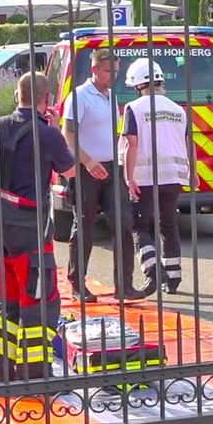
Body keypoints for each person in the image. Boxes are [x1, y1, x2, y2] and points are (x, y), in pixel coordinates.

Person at [0, 72, 75, 383]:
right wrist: (54, 131)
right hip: (28, 225)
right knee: (38, 301)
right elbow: (71, 171)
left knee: (6, 300)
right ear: (46, 100)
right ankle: (35, 376)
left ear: (16, 96)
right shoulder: (47, 134)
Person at [61, 48, 146, 302]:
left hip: (112, 167)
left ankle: (124, 285)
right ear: (95, 69)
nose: (113, 76)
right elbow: (68, 134)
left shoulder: (111, 96)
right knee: (84, 225)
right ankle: (78, 284)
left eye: (116, 71)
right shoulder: (79, 96)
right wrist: (87, 161)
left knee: (123, 221)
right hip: (86, 169)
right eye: (109, 71)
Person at [121, 58, 197, 296]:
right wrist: (193, 172)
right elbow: (189, 142)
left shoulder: (134, 108)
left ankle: (154, 271)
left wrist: (128, 177)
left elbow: (131, 144)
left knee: (139, 226)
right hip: (174, 177)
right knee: (169, 225)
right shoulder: (177, 109)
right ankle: (172, 279)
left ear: (137, 85)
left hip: (145, 178)